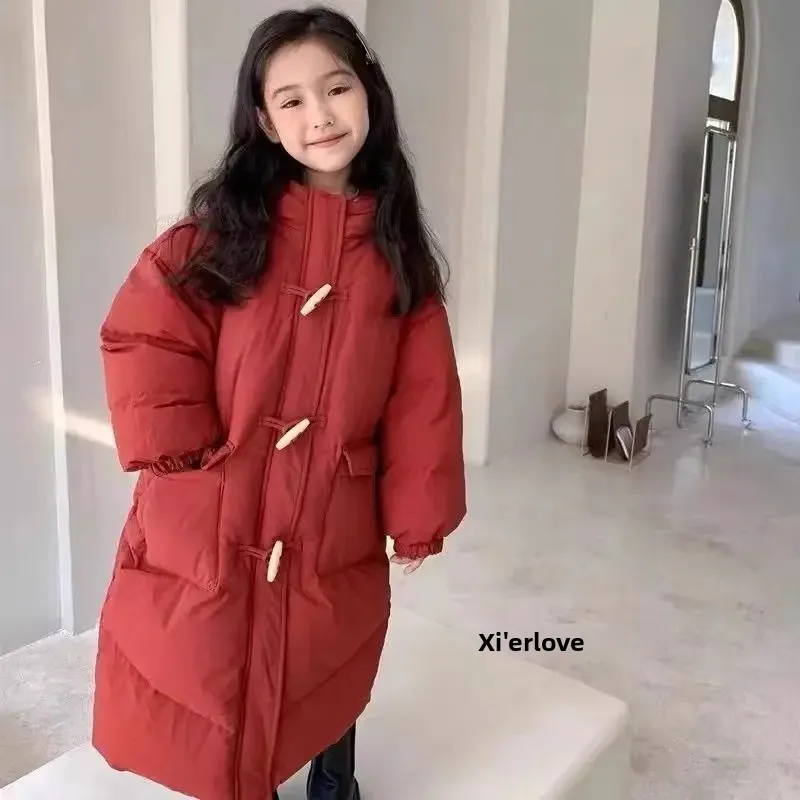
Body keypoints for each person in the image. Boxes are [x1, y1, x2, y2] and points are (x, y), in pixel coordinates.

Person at [91, 7, 466, 800]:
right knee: (208, 662)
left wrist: (418, 511)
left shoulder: (397, 257)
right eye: (290, 99)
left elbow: (423, 399)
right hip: (215, 507)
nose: (319, 114)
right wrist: (184, 449)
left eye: (336, 88)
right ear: (264, 120)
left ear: (369, 94)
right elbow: (146, 332)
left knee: (326, 651)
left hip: (331, 514)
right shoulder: (219, 237)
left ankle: (335, 784)